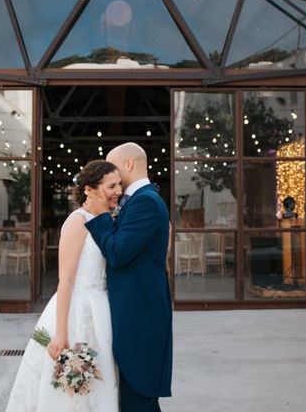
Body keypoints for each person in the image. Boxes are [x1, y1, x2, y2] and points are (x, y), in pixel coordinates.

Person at [5, 160, 122, 412]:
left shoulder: (109, 220)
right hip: (76, 308)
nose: (119, 191)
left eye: (120, 184)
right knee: (72, 384)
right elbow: (66, 280)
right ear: (89, 189)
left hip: (103, 307)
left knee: (102, 378)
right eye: (111, 185)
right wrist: (60, 332)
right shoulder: (77, 221)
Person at [85, 142, 173, 412]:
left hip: (141, 315)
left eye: (113, 166)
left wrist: (100, 215)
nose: (111, 174)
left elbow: (118, 252)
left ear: (129, 165)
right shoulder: (141, 200)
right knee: (136, 397)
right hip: (134, 311)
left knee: (140, 396)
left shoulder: (146, 201)